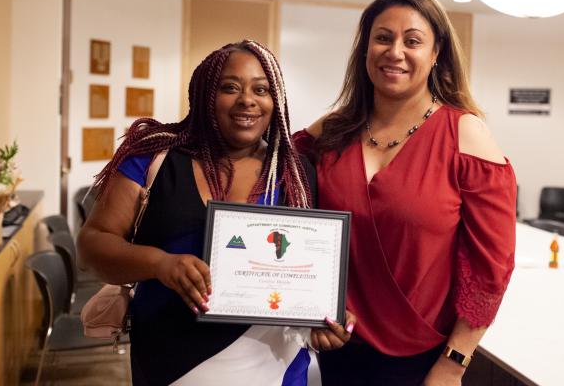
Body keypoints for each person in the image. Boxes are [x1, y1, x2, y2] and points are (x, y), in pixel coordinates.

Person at [78, 40, 356, 386]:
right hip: (170, 359)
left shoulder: (295, 172)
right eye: (230, 88)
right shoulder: (153, 158)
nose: (247, 100)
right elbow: (93, 243)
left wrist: (323, 319)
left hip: (273, 362)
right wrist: (160, 264)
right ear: (205, 94)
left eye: (262, 89)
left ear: (276, 101)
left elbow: (305, 272)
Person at [293, 0, 516, 385]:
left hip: (425, 361)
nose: (395, 51)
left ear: (435, 55)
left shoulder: (465, 133)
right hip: (339, 346)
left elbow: (491, 270)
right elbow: (265, 164)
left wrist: (453, 363)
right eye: (383, 37)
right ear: (365, 50)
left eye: (412, 41)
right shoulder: (332, 130)